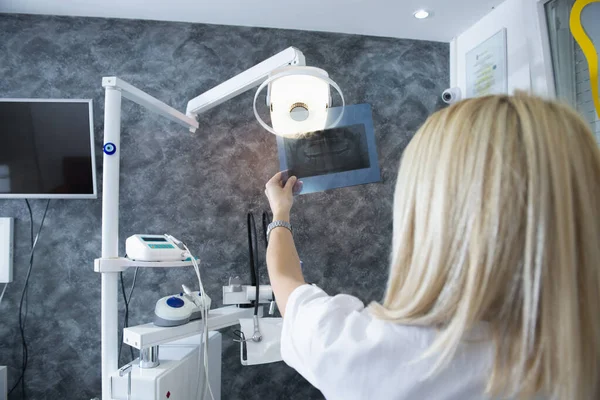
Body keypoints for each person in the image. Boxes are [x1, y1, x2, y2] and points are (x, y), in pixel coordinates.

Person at [263, 93, 600, 400]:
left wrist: (281, 211)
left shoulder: (371, 355)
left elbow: (287, 284)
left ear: (427, 209)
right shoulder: (581, 358)